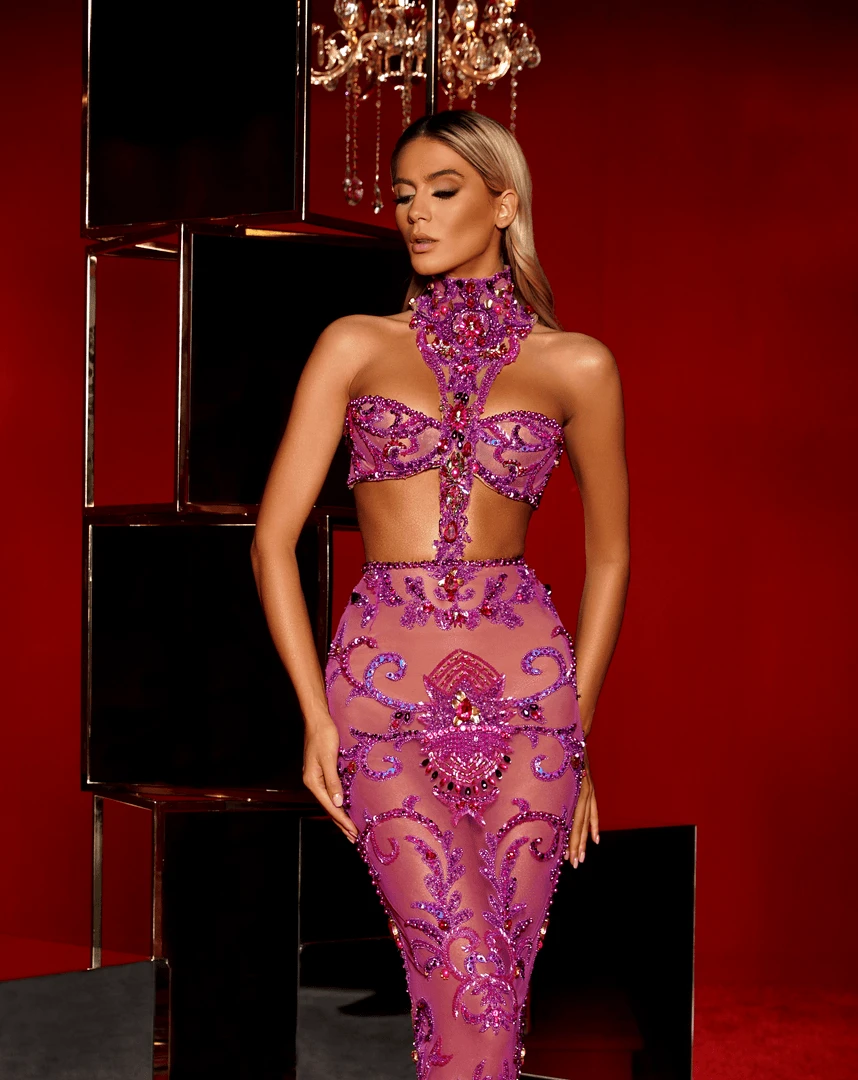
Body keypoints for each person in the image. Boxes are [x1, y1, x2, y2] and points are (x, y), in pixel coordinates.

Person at [251, 110, 629, 1080]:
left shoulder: (579, 364)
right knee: (467, 984)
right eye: (403, 195)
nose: (415, 214)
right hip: (381, 697)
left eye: (442, 191)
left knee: (499, 994)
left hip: (533, 705)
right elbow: (271, 542)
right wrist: (314, 718)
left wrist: (578, 730)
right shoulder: (353, 345)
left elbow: (612, 557)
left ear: (504, 204)